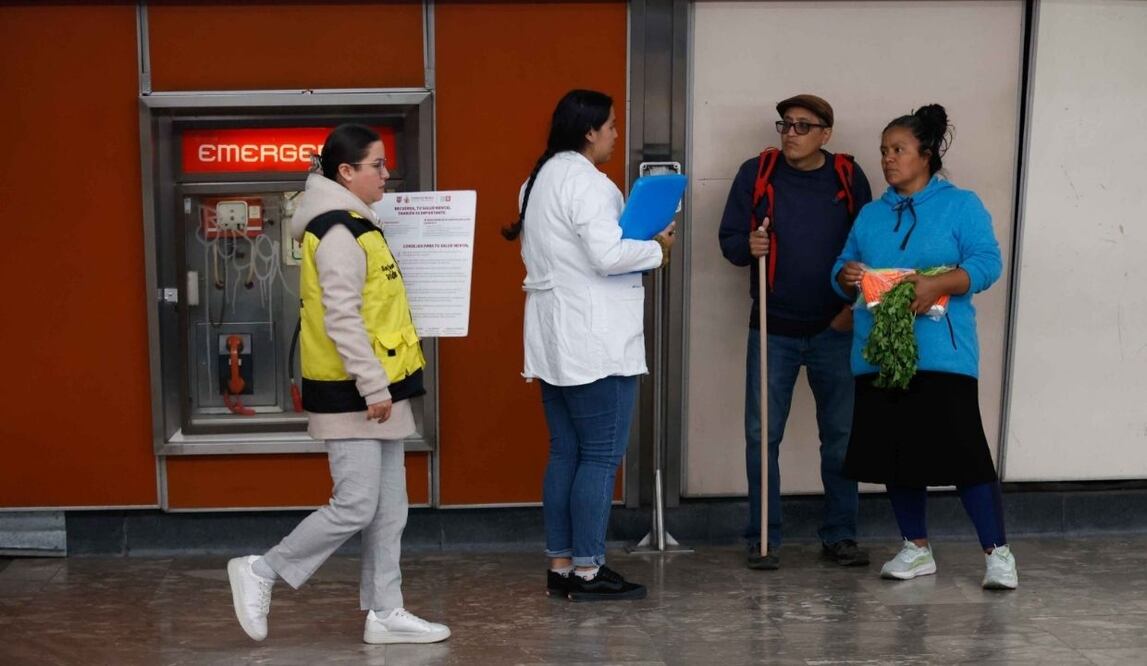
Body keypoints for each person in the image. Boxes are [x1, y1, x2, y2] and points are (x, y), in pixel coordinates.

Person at [226, 124, 452, 643]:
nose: (385, 174)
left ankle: (385, 612)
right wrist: (373, 386)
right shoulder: (336, 230)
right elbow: (341, 317)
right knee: (355, 503)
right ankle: (261, 569)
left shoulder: (359, 224)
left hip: (381, 387)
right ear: (346, 172)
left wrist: (383, 386)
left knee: (391, 508)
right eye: (377, 165)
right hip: (357, 391)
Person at [832, 104, 1018, 590]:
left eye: (898, 151)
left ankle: (998, 553)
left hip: (943, 355)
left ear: (926, 155)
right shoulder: (871, 214)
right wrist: (846, 275)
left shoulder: (961, 205)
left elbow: (987, 263)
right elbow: (843, 269)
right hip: (879, 354)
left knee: (966, 454)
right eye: (884, 152)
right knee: (896, 454)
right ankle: (915, 549)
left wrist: (940, 284)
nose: (888, 160)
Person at [505, 89, 675, 601]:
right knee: (600, 457)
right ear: (589, 132)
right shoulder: (590, 184)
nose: (616, 135)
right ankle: (588, 568)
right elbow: (606, 255)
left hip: (553, 338)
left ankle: (561, 563)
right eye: (612, 126)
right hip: (596, 340)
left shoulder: (534, 183)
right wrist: (657, 248)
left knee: (565, 453)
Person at [718, 94, 873, 570]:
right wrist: (749, 243)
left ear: (826, 133)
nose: (790, 133)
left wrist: (851, 311)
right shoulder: (756, 173)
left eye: (803, 126)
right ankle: (763, 538)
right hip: (773, 328)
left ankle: (841, 535)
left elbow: (868, 246)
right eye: (785, 124)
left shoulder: (848, 176)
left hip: (836, 327)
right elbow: (729, 243)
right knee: (762, 436)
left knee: (843, 438)